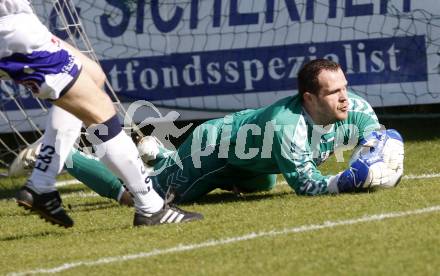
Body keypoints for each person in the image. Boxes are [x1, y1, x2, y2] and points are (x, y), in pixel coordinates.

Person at [11, 59, 404, 204]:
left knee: (264, 186)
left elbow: (377, 134)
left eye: (345, 88)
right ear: (309, 98)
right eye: (334, 92)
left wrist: (379, 150)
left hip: (250, 159)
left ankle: (158, 152)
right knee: (139, 196)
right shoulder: (288, 127)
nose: (345, 98)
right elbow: (308, 186)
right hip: (214, 149)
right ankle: (61, 154)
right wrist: (351, 181)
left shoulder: (355, 108)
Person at [0, 0, 202, 227]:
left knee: (92, 76)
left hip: (17, 28)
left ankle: (42, 182)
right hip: (12, 32)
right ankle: (151, 207)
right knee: (101, 113)